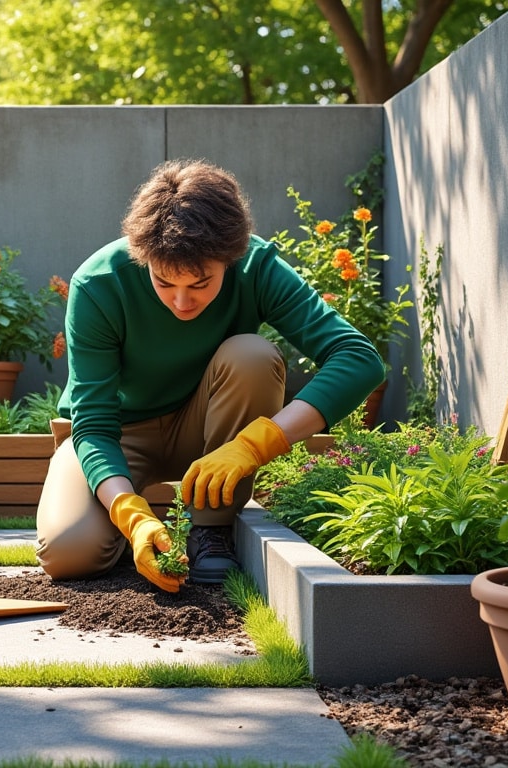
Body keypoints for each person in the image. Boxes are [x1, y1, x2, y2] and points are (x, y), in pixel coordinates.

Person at [36, 159, 385, 592]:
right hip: (119, 435)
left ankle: (211, 530)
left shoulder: (256, 266)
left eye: (200, 284)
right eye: (164, 283)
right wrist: (128, 510)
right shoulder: (99, 284)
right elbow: (94, 422)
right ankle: (136, 533)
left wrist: (255, 445)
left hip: (210, 432)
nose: (182, 301)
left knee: (252, 355)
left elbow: (358, 358)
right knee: (68, 552)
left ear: (230, 258)